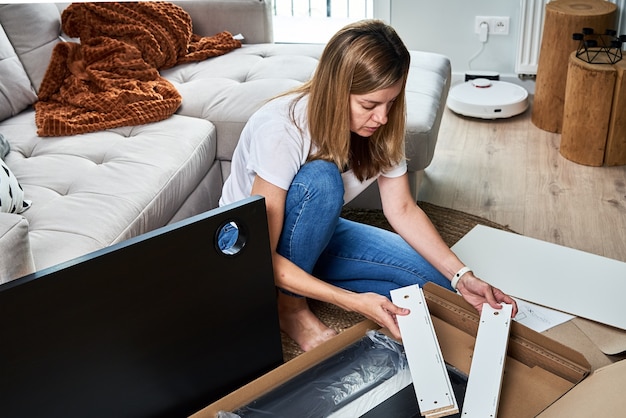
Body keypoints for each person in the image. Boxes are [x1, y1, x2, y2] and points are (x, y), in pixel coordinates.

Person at [219, 19, 517, 352]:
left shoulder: (379, 128)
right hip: (244, 248)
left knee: (437, 289)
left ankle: (308, 275)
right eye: (369, 105)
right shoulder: (282, 128)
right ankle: (291, 308)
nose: (383, 118)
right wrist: (353, 302)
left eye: (391, 103)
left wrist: (462, 276)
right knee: (322, 181)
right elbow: (258, 253)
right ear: (334, 92)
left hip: (314, 228)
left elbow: (402, 208)